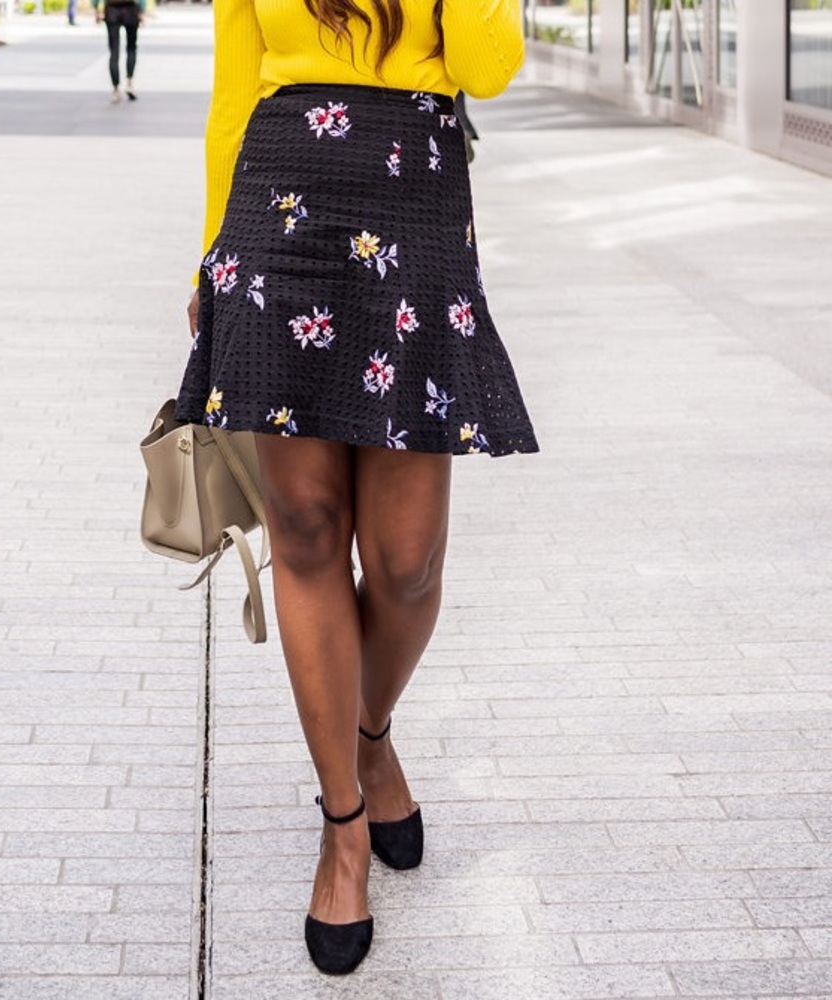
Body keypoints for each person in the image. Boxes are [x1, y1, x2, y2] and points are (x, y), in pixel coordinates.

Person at [176, 0, 537, 976]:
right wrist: (214, 250)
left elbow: (488, 62)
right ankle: (342, 819)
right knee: (303, 528)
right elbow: (231, 91)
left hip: (414, 205)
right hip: (278, 203)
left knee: (407, 561)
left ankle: (369, 733)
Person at [94, 0, 144, 103]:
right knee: (131, 48)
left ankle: (115, 90)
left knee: (114, 50)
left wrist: (96, 9)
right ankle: (129, 84)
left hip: (112, 9)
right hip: (130, 9)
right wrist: (141, 10)